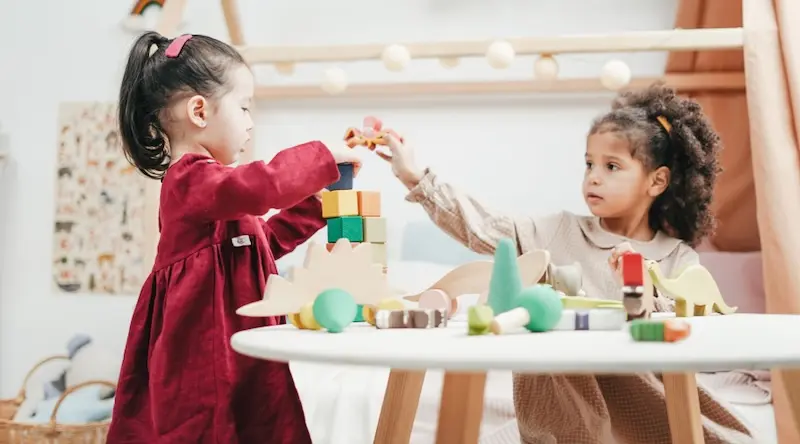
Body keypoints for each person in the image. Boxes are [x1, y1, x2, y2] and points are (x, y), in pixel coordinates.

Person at [378, 83, 756, 443]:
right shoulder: (558, 232)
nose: (592, 177)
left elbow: (698, 333)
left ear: (656, 182)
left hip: (645, 404)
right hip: (566, 412)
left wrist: (638, 290)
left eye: (612, 167)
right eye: (589, 163)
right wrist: (414, 176)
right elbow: (483, 225)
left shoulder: (678, 257)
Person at [108, 31, 362, 443]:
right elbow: (259, 188)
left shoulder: (219, 196)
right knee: (209, 429)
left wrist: (317, 204)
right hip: (203, 357)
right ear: (199, 111)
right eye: (244, 108)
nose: (250, 122)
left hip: (240, 352)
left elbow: (263, 242)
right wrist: (320, 158)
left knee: (260, 423)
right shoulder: (190, 181)